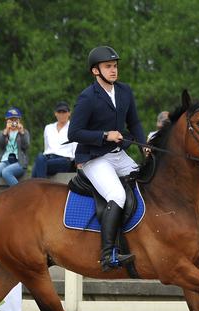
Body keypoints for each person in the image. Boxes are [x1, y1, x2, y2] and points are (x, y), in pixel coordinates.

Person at [67, 45, 146, 272]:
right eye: (108, 67)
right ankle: (108, 253)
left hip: (117, 154)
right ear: (96, 71)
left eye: (115, 66)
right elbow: (74, 133)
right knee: (117, 194)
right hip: (93, 158)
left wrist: (145, 148)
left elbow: (136, 123)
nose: (113, 70)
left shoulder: (124, 91)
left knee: (144, 181)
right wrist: (104, 135)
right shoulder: (87, 97)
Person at [0, 107, 30, 196]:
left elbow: (26, 146)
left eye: (15, 120)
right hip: (5, 160)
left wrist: (21, 133)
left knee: (6, 172)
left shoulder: (24, 132)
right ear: (7, 122)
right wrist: (5, 132)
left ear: (19, 121)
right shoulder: (2, 133)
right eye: (11, 120)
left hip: (19, 162)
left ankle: (21, 194)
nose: (13, 123)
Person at [31, 101, 77, 178]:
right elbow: (46, 148)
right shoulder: (48, 128)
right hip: (47, 158)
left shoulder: (73, 128)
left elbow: (76, 148)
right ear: (55, 113)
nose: (61, 114)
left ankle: (38, 187)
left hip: (64, 160)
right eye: (59, 112)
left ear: (69, 113)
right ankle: (43, 187)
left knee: (37, 167)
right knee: (40, 157)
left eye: (64, 112)